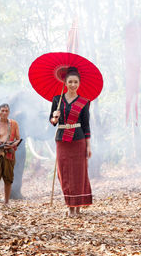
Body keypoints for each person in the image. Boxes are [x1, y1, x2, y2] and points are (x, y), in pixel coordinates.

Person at [50, 67, 92, 217]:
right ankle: (70, 206)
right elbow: (52, 122)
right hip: (62, 139)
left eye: (75, 82)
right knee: (64, 172)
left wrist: (88, 146)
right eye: (70, 82)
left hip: (78, 140)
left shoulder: (84, 102)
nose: (73, 84)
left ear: (79, 83)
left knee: (79, 173)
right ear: (65, 82)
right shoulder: (57, 99)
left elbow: (86, 125)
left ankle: (78, 206)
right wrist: (54, 117)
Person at [0, 103, 21, 205]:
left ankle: (6, 202)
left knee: (8, 177)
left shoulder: (14, 124)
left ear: (9, 112)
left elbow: (18, 139)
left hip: (9, 151)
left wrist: (12, 145)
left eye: (6, 111)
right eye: (2, 111)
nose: (4, 113)